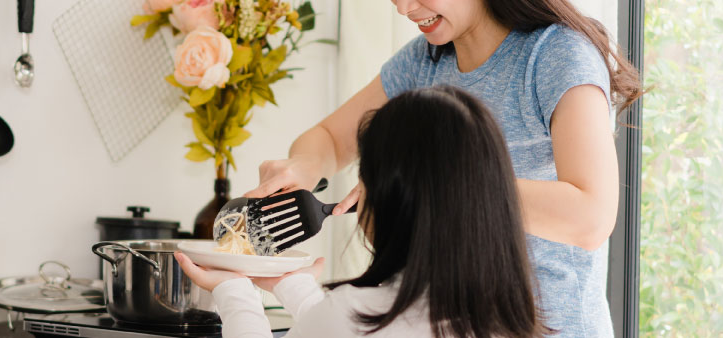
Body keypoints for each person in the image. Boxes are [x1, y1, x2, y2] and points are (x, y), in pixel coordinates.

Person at [243, 0, 642, 336]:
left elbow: (590, 217)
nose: (402, 4)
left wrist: (438, 183)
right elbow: (331, 139)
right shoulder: (425, 62)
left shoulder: (556, 55)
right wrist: (301, 167)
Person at [175, 86, 547, 337]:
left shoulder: (348, 313)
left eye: (363, 176)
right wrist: (292, 284)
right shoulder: (505, 321)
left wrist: (234, 291)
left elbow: (344, 325)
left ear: (391, 196)